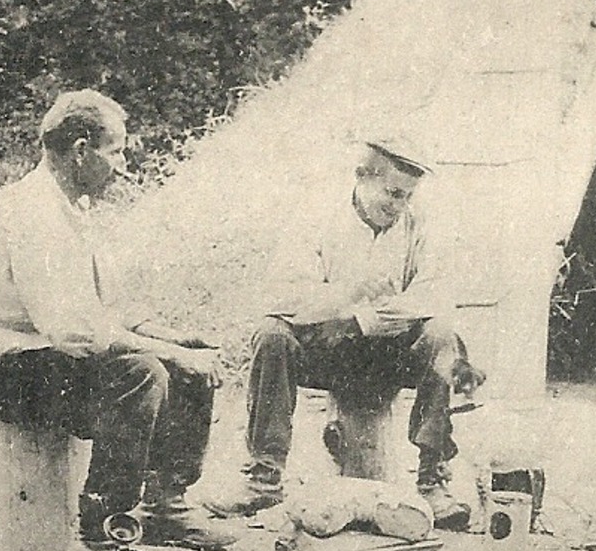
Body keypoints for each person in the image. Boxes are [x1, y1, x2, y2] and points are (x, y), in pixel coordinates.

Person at [0, 90, 235, 551]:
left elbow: (105, 307)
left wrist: (175, 341)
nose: (121, 164)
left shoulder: (70, 207)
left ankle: (166, 504)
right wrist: (168, 353)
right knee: (142, 373)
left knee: (184, 355)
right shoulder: (31, 213)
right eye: (115, 150)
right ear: (80, 150)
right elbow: (76, 331)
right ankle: (103, 531)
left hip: (47, 356)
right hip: (4, 371)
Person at [204, 139, 483, 530]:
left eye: (406, 196)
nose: (399, 205)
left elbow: (434, 295)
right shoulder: (316, 218)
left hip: (391, 353)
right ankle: (263, 477)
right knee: (272, 334)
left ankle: (432, 481)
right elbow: (283, 296)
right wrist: (345, 300)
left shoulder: (420, 223)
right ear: (362, 177)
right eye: (392, 193)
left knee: (441, 335)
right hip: (329, 352)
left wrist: (362, 318)